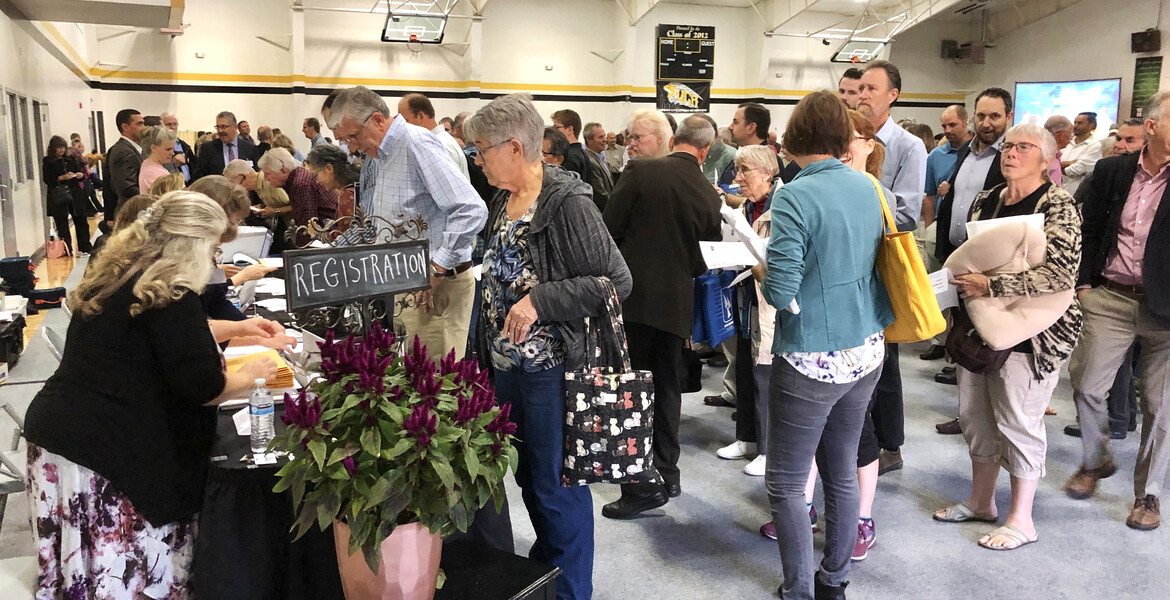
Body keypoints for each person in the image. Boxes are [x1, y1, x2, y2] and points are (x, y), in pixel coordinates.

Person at [23, 191, 281, 600]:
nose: (214, 260)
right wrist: (251, 377)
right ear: (193, 244)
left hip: (64, 437)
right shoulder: (172, 290)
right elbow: (201, 386)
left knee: (84, 577)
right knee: (124, 580)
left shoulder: (127, 273)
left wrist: (237, 329)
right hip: (104, 450)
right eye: (213, 249)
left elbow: (165, 336)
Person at [466, 93, 631, 600]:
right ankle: (549, 575)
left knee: (556, 486)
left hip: (551, 371)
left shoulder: (567, 202)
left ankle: (571, 590)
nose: (477, 160)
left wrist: (540, 300)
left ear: (514, 147)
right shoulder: (503, 199)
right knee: (528, 479)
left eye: (481, 150)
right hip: (507, 368)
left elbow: (616, 281)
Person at [760, 90, 891, 600]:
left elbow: (781, 292)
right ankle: (833, 581)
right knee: (841, 468)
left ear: (794, 136)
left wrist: (760, 268)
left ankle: (797, 590)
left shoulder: (793, 195)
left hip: (812, 355)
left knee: (787, 482)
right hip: (867, 346)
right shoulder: (867, 186)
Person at [933, 122, 1083, 550]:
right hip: (981, 328)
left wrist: (992, 285)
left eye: (1024, 147)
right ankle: (982, 502)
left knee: (1018, 423)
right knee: (975, 418)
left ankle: (1022, 520)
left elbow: (1061, 275)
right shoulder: (988, 199)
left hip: (1035, 334)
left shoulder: (1059, 204)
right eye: (1008, 146)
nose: (1012, 153)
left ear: (1047, 159)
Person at [601, 113, 722, 519]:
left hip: (632, 301)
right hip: (676, 305)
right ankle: (667, 474)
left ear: (673, 140)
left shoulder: (640, 173)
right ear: (705, 151)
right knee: (667, 390)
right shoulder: (709, 193)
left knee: (631, 390)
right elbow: (706, 259)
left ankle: (639, 486)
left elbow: (607, 233)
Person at [1064, 91, 1170, 531]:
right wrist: (1084, 284)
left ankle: (1149, 493)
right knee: (1087, 384)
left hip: (1166, 312)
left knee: (1160, 406)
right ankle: (1096, 460)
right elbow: (1088, 229)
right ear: (1153, 126)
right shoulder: (1112, 171)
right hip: (1110, 296)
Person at [326, 86, 487, 360]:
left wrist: (436, 269)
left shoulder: (415, 143)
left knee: (436, 378)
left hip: (437, 285)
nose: (351, 147)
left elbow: (471, 209)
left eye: (353, 136)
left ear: (377, 120)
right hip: (408, 282)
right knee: (415, 373)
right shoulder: (382, 155)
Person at [858, 59, 927, 474]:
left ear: (892, 95)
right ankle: (859, 439)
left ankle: (890, 445)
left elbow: (907, 213)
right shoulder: (848, 137)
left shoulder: (908, 146)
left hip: (883, 259)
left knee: (885, 358)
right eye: (859, 88)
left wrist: (863, 187)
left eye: (871, 88)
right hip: (851, 259)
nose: (862, 95)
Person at [932, 88, 1013, 399]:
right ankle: (966, 409)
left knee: (983, 335)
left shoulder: (1010, 156)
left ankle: (980, 406)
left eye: (994, 116)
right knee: (959, 327)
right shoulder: (966, 151)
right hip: (955, 252)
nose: (986, 123)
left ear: (1008, 117)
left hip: (986, 262)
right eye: (981, 115)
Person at [713, 145, 781, 479]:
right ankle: (748, 437)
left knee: (765, 374)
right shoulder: (746, 207)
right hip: (744, 294)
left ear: (767, 172)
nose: (738, 178)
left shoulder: (781, 205)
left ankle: (769, 450)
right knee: (743, 364)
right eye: (737, 170)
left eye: (745, 170)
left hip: (768, 300)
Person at [257, 148, 338, 245]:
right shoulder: (299, 177)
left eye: (267, 174)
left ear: (283, 171)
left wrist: (297, 253)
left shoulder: (300, 185)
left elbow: (305, 229)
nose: (265, 179)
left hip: (330, 238)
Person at [398, 93, 472, 180]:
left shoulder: (440, 145)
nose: (403, 126)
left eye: (406, 121)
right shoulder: (438, 141)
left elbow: (449, 185)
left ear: (420, 116)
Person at [42, 135, 92, 256]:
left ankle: (85, 247)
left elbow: (80, 172)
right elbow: (47, 179)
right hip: (59, 195)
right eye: (59, 148)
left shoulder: (70, 159)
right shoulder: (48, 162)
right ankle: (66, 249)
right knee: (62, 224)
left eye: (63, 147)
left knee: (81, 220)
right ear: (53, 148)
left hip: (74, 193)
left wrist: (79, 175)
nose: (62, 150)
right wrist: (61, 178)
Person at [105, 108, 145, 226]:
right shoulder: (124, 151)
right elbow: (127, 187)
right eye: (139, 124)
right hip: (131, 213)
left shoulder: (129, 149)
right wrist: (149, 197)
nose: (143, 128)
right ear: (125, 127)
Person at [193, 111, 260, 180]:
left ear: (235, 127)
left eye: (223, 127)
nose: (220, 131)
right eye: (218, 127)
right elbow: (200, 177)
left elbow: (256, 174)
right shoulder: (208, 149)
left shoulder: (250, 148)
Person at [304, 143, 360, 220]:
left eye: (316, 175)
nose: (317, 181)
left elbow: (344, 228)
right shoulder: (351, 186)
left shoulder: (347, 196)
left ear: (329, 168)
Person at [1061, 111, 1103, 195]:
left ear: (1091, 125)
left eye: (1080, 123)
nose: (1075, 126)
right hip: (1060, 192)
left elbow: (1078, 169)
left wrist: (1057, 168)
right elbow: (1052, 162)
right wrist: (1070, 163)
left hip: (1078, 195)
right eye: (1075, 123)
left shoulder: (1094, 145)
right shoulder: (1067, 143)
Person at [550, 109, 594, 186]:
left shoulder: (570, 156)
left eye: (556, 127)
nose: (554, 131)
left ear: (569, 129)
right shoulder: (582, 153)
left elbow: (564, 187)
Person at [580, 121, 614, 211]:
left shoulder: (600, 158)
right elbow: (600, 194)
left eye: (604, 136)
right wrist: (616, 208)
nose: (605, 140)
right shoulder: (590, 161)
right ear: (589, 140)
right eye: (600, 137)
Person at [138, 125, 178, 193]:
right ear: (153, 148)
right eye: (168, 149)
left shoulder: (149, 165)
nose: (172, 153)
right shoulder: (153, 173)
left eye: (173, 149)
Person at [161, 112, 194, 184]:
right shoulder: (159, 147)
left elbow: (194, 164)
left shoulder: (184, 145)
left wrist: (186, 159)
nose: (172, 127)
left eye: (175, 124)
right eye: (169, 124)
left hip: (189, 184)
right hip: (171, 184)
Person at [1043, 115, 1073, 187]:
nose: (1071, 138)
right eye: (1070, 134)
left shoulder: (1053, 155)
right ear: (1062, 135)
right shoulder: (1046, 156)